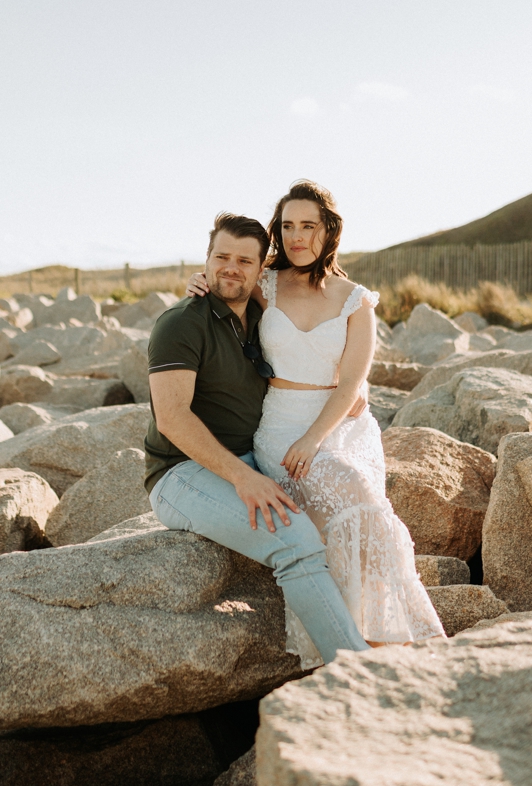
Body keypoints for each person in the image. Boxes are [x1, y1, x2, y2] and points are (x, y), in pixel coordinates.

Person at [187, 181, 444, 668]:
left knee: (362, 508)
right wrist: (195, 283)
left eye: (308, 226)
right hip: (280, 428)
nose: (297, 236)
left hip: (337, 428)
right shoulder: (266, 285)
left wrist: (314, 438)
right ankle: (361, 643)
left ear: (329, 231)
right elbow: (228, 276)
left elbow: (351, 384)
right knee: (344, 517)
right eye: (287, 226)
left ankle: (385, 638)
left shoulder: (355, 300)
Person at [144, 211, 372, 666]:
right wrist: (243, 478)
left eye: (245, 261)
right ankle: (357, 670)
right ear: (205, 260)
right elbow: (171, 418)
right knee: (297, 543)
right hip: (182, 473)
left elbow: (314, 346)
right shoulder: (180, 324)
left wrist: (354, 389)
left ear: (261, 270)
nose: (232, 268)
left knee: (347, 511)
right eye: (221, 257)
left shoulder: (257, 312)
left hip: (250, 457)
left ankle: (376, 630)